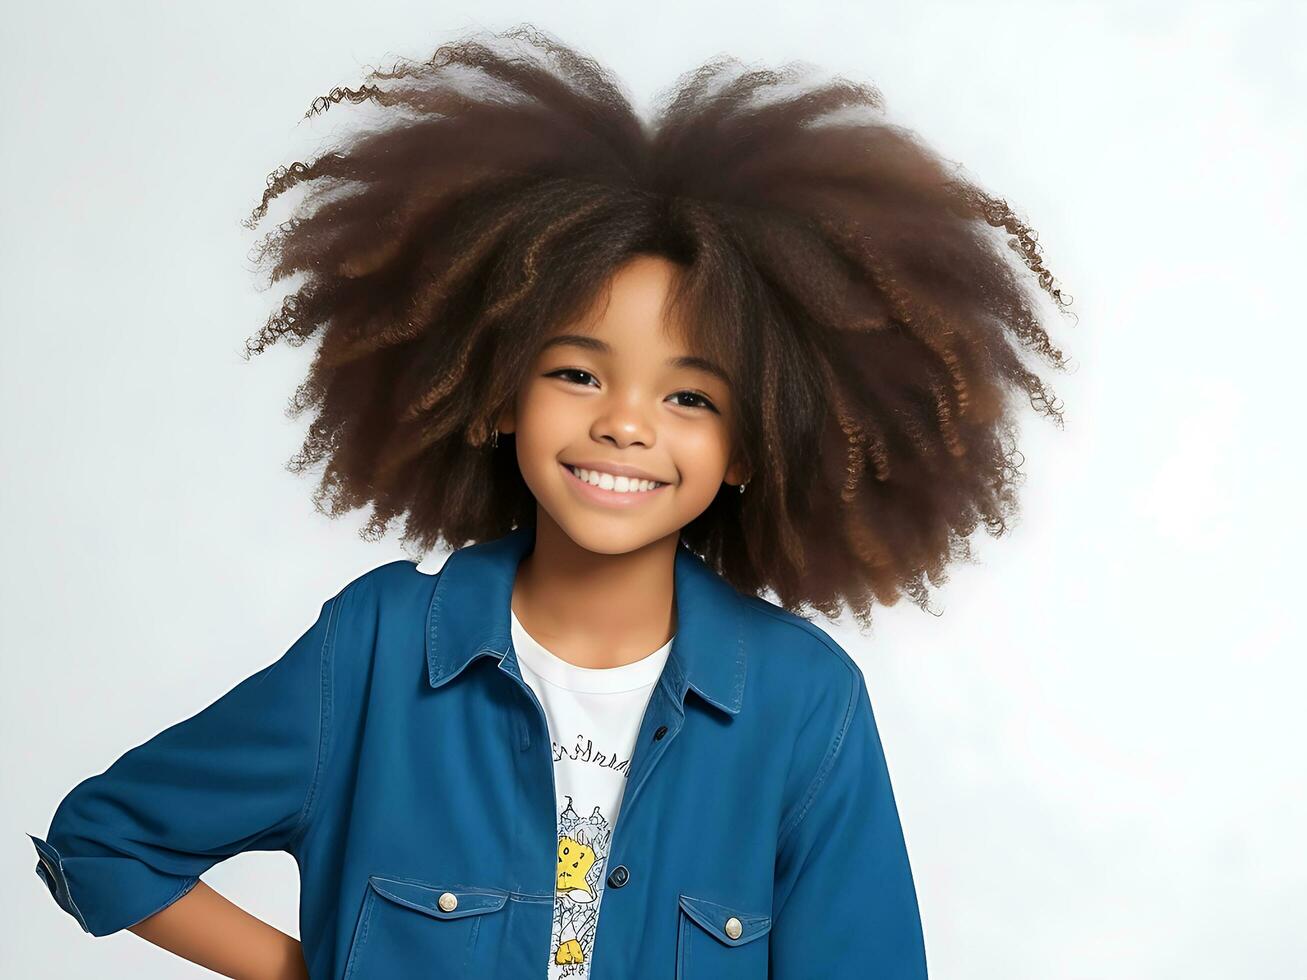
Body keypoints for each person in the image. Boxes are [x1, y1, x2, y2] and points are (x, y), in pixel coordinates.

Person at [26, 22, 1072, 980]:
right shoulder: (379, 647)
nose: (625, 422)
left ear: (747, 448)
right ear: (497, 392)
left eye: (689, 395)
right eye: (577, 372)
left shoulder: (803, 706)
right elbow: (106, 838)